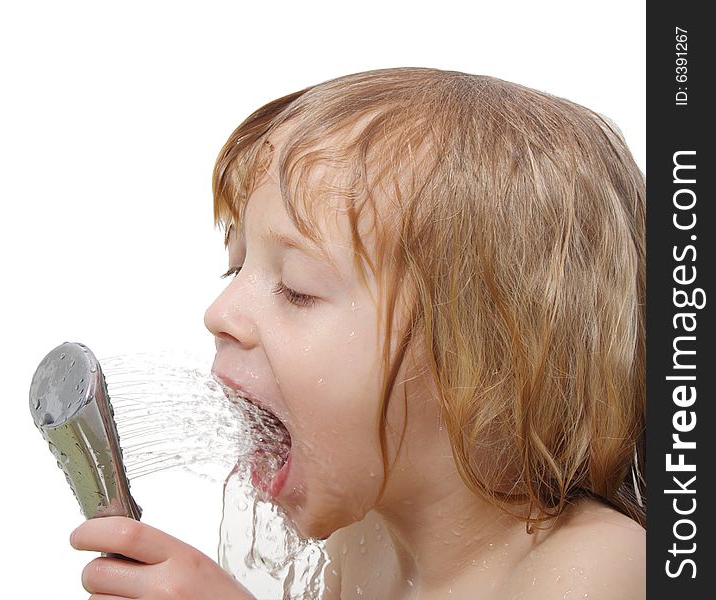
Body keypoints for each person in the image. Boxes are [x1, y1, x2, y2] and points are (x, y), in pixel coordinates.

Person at [70, 67, 646, 599]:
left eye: (296, 288)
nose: (220, 310)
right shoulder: (365, 542)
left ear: (485, 361)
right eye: (235, 267)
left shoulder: (598, 567)